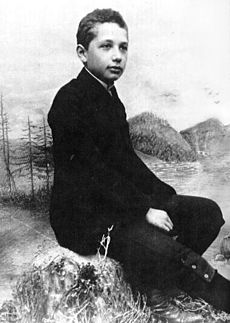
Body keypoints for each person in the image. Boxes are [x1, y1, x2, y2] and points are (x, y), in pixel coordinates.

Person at [48, 8, 230, 317]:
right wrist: (144, 210)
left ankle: (156, 283)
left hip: (117, 206)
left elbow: (127, 163)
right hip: (84, 219)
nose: (117, 56)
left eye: (123, 47)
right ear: (82, 52)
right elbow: (92, 175)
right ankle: (161, 297)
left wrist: (166, 197)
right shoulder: (69, 102)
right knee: (176, 254)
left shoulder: (109, 97)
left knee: (206, 214)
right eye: (106, 46)